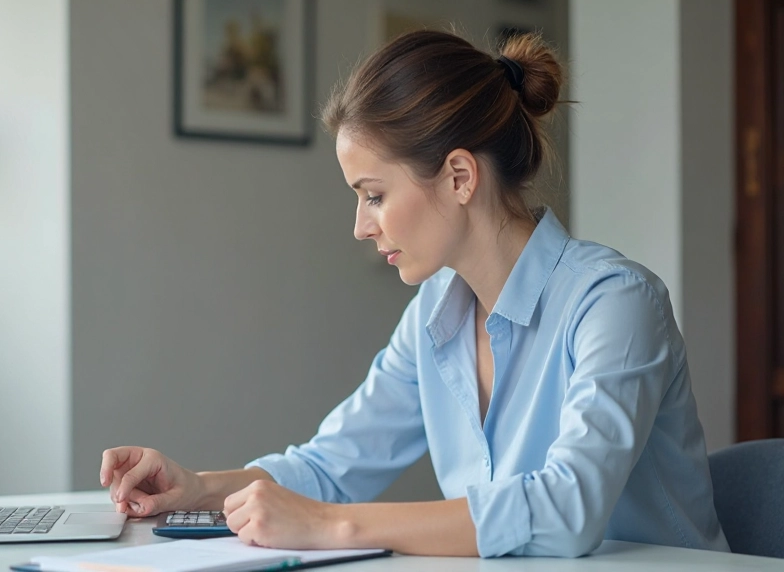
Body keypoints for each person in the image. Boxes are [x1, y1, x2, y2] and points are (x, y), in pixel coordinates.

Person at [99, 30, 730, 558]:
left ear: (459, 176)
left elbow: (568, 509)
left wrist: (329, 526)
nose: (360, 226)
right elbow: (329, 468)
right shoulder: (435, 314)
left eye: (374, 195)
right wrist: (197, 487)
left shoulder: (615, 303)